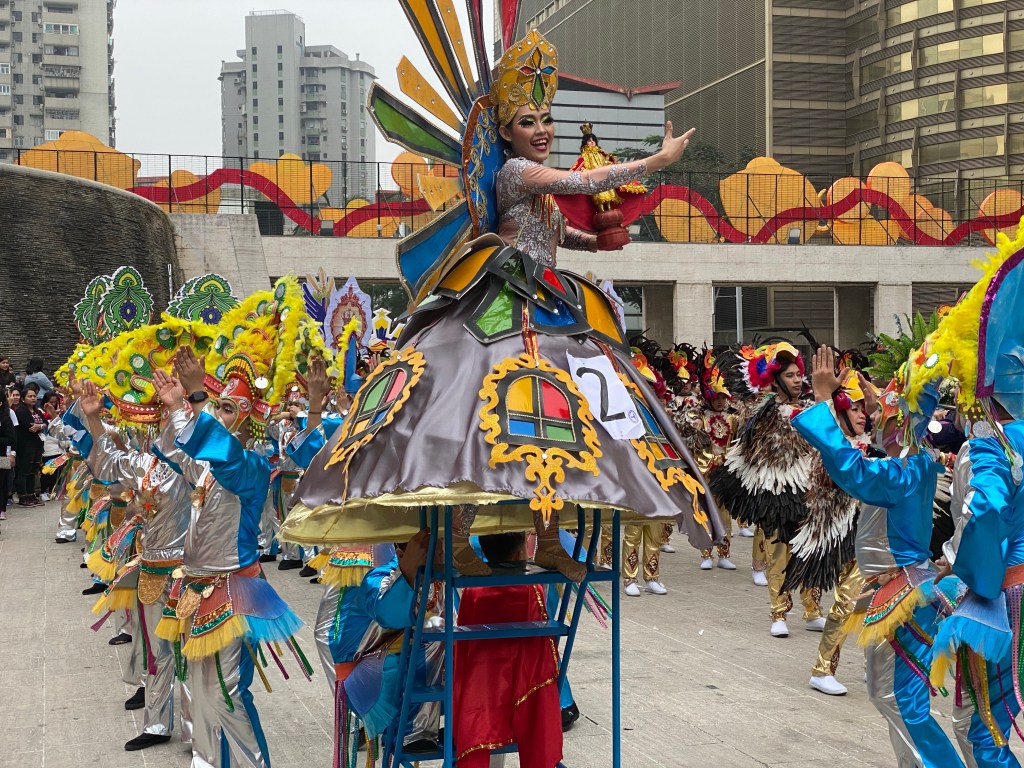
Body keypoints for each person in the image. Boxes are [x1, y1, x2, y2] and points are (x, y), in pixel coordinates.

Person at [284, 28, 721, 582]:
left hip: (546, 302)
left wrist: (607, 239)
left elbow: (566, 237)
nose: (539, 131)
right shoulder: (517, 174)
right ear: (507, 133)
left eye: (544, 119)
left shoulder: (540, 194)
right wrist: (656, 161)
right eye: (526, 122)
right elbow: (582, 179)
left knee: (552, 420)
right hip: (501, 303)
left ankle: (547, 540)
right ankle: (459, 538)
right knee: (480, 415)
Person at [792, 347, 964, 768]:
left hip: (904, 591)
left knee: (897, 699)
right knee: (892, 696)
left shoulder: (900, 472)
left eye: (881, 415)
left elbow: (852, 471)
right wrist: (868, 400)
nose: (871, 418)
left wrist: (821, 401)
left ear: (901, 423)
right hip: (897, 585)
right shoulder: (910, 461)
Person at [152, 340, 304, 768]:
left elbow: (227, 458)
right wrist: (175, 406)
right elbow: (174, 449)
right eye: (218, 407)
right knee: (199, 691)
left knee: (227, 691)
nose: (219, 414)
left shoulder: (253, 468)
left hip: (233, 587)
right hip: (195, 587)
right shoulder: (202, 466)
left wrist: (194, 396)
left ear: (251, 422)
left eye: (229, 409)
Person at [78, 378, 194, 752]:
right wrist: (94, 419)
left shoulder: (193, 461)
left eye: (167, 413)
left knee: (188, 653)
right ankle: (158, 723)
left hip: (190, 571)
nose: (158, 423)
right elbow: (108, 465)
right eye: (159, 414)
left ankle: (198, 735)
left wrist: (180, 406)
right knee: (157, 650)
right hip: (151, 567)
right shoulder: (146, 462)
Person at [710, 343, 824, 637]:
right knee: (778, 552)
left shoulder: (810, 409)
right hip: (774, 493)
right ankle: (779, 613)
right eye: (790, 375)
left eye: (799, 374)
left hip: (808, 490)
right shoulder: (760, 410)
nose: (798, 379)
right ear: (776, 378)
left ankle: (812, 610)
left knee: (809, 552)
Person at [783, 366, 872, 696]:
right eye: (856, 407)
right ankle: (822, 670)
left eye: (865, 408)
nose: (862, 414)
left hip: (870, 535)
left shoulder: (864, 444)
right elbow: (845, 476)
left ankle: (872, 665)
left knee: (875, 603)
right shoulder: (831, 452)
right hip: (839, 536)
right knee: (847, 601)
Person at [455, 532, 563, 767]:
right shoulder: (531, 587)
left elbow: (464, 645)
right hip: (525, 682)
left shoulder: (472, 589)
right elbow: (542, 640)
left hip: (481, 686)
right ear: (520, 553)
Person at [14, 384, 45, 507]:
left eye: (34, 396)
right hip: (25, 445)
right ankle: (23, 497)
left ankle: (32, 495)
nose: (33, 398)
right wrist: (39, 426)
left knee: (33, 471)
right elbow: (29, 426)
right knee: (24, 471)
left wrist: (40, 426)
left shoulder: (37, 410)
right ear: (23, 399)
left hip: (37, 444)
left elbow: (45, 422)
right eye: (30, 396)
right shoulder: (21, 411)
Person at [38, 390, 65, 501]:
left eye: (55, 402)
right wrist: (52, 414)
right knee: (46, 470)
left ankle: (52, 490)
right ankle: (43, 491)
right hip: (46, 444)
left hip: (58, 444)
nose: (53, 404)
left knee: (56, 469)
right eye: (51, 402)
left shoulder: (60, 413)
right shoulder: (39, 411)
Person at [0, 388, 16, 520]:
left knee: (2, 483)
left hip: (2, 456)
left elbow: (11, 438)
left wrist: (12, 454)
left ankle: (2, 508)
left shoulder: (5, 417)